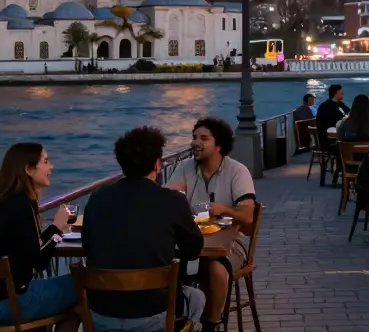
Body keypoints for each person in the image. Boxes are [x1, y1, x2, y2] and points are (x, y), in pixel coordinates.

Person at [83, 127, 205, 330]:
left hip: (101, 314)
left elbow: (87, 247)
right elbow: (193, 248)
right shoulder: (173, 200)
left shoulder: (98, 197)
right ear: (157, 165)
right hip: (152, 315)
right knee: (197, 298)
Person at [0, 143, 77, 327]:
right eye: (45, 161)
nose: (51, 166)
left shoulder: (1, 202)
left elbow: (30, 250)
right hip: (12, 303)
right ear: (28, 169)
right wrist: (58, 230)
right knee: (84, 284)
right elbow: (38, 262)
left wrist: (54, 230)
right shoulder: (20, 206)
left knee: (73, 294)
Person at [165, 118, 256, 332]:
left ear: (219, 145)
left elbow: (248, 215)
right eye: (194, 137)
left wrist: (223, 209)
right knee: (160, 260)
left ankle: (210, 325)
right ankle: (176, 319)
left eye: (203, 138)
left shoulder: (237, 171)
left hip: (232, 243)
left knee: (216, 267)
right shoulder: (185, 167)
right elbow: (168, 196)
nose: (195, 143)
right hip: (189, 243)